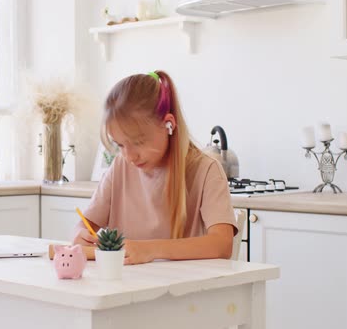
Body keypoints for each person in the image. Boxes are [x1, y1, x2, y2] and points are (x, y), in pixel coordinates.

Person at [73, 70, 237, 265]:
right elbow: (85, 225)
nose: (129, 156)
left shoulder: (207, 170)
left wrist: (151, 250)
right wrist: (79, 235)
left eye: (138, 142)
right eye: (121, 145)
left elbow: (222, 244)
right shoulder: (120, 167)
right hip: (127, 289)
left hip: (185, 290)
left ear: (169, 125)